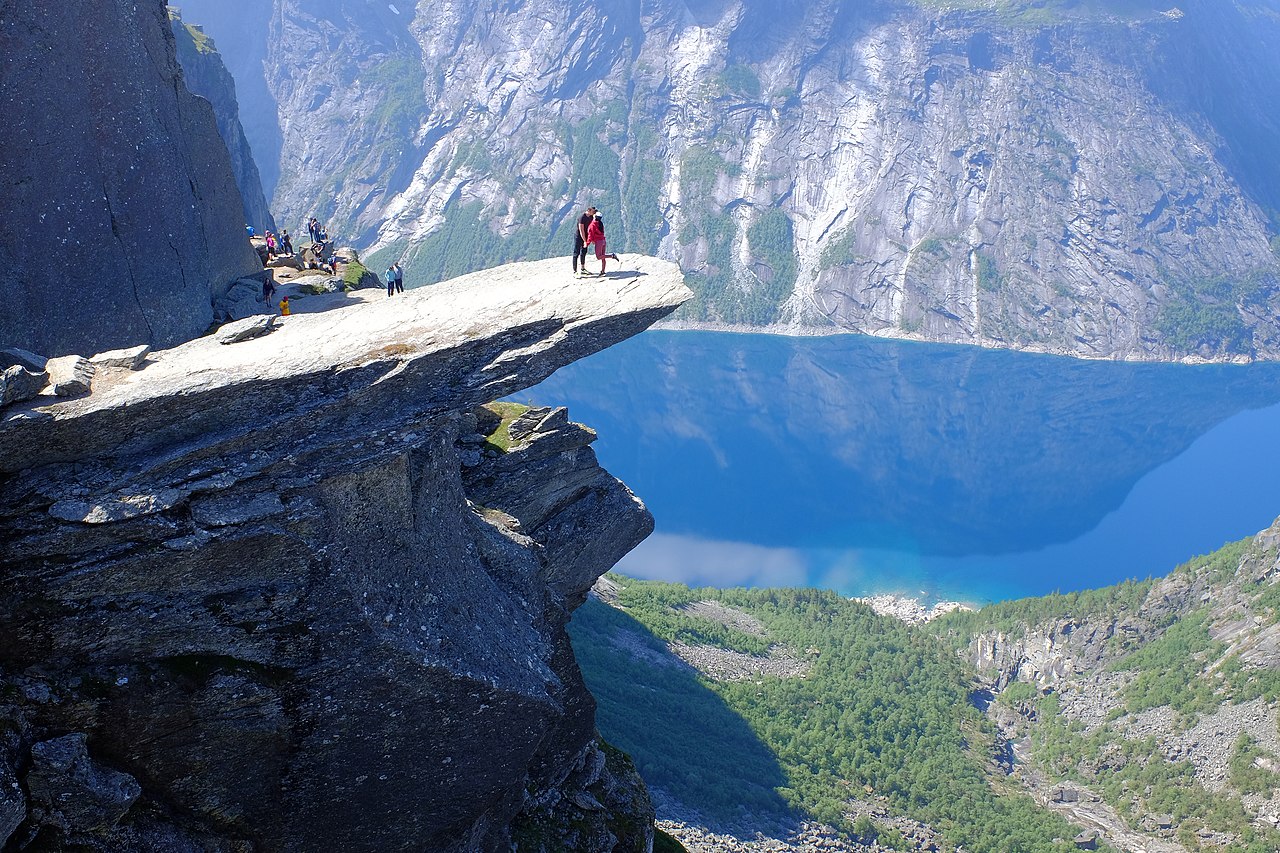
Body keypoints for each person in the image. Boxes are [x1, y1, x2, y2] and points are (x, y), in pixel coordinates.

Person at [572, 205, 595, 276]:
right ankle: (575, 271)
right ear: (589, 210)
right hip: (579, 237)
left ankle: (583, 269)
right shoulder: (582, 217)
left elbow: (591, 228)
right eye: (593, 211)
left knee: (584, 252)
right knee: (576, 253)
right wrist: (585, 241)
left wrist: (591, 239)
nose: (594, 212)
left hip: (586, 236)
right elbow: (581, 230)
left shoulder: (591, 217)